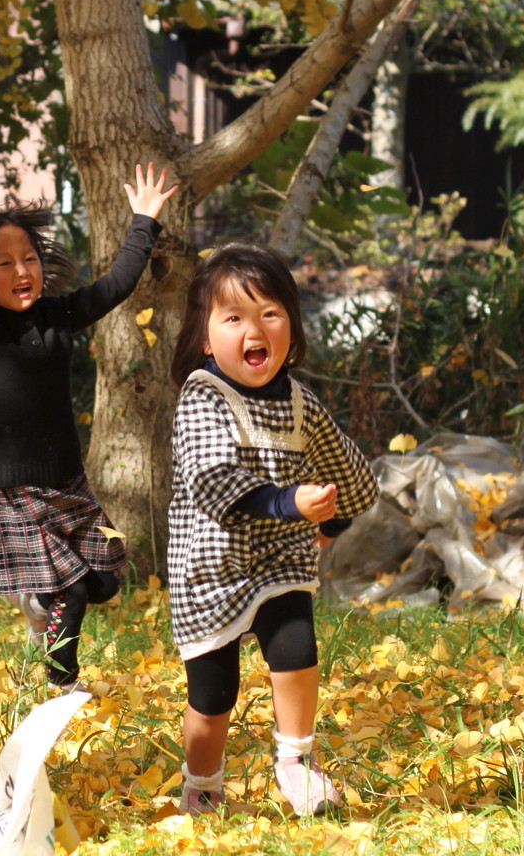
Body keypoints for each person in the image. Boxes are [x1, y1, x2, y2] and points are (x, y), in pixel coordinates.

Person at [0, 160, 177, 689]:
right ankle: (61, 680)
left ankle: (39, 600)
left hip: (65, 478)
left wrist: (144, 221)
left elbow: (115, 286)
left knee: (105, 577)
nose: (22, 272)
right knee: (75, 592)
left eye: (30, 259)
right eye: (4, 263)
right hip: (12, 487)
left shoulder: (57, 317)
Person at [167, 243, 379, 817]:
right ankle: (203, 786)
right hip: (211, 573)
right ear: (208, 339)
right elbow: (212, 480)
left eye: (269, 313)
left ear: (291, 328)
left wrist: (333, 517)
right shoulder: (203, 396)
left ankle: (296, 760)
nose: (253, 329)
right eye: (233, 317)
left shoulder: (301, 404)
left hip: (280, 563)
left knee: (296, 647)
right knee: (213, 697)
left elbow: (350, 472)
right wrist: (288, 502)